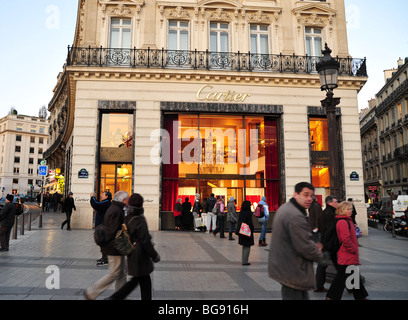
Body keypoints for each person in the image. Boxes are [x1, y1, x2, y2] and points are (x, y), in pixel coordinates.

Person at [268, 182, 323, 300]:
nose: (309, 199)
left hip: (287, 267)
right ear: (296, 194)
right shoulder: (295, 215)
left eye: (311, 196)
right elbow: (304, 246)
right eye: (305, 195)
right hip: (293, 270)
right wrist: (321, 256)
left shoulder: (286, 208)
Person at [106, 193, 160, 300]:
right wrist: (154, 255)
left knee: (142, 279)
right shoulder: (139, 218)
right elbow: (145, 239)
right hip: (140, 254)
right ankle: (115, 297)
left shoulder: (127, 215)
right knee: (138, 280)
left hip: (132, 251)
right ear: (141, 204)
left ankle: (116, 297)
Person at [84, 191, 129, 300]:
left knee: (122, 273)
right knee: (114, 273)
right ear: (123, 200)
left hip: (116, 246)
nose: (128, 201)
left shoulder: (117, 208)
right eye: (128, 199)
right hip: (114, 246)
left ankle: (120, 296)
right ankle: (91, 292)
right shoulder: (116, 210)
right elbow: (113, 230)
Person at [326, 201, 369, 300]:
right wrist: (353, 249)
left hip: (347, 254)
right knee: (341, 277)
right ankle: (331, 297)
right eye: (348, 209)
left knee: (352, 275)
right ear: (342, 211)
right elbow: (345, 239)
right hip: (345, 253)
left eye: (351, 209)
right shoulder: (343, 222)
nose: (350, 211)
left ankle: (361, 296)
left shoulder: (347, 221)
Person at [315, 195, 338, 292]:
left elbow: (320, 229)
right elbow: (331, 230)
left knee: (322, 266)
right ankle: (352, 286)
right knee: (342, 266)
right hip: (331, 244)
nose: (337, 204)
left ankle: (319, 286)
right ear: (330, 203)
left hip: (325, 243)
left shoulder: (323, 213)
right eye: (335, 202)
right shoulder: (331, 214)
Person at [90, 191, 112, 266]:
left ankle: (105, 260)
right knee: (102, 243)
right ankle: (103, 258)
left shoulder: (106, 202)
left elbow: (96, 204)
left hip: (103, 226)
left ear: (106, 196)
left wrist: (92, 197)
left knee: (103, 243)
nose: (101, 195)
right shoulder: (106, 202)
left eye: (103, 194)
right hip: (102, 225)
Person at [236, 200, 254, 265]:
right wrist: (252, 229)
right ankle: (245, 261)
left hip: (242, 230)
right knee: (248, 246)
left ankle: (243, 260)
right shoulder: (248, 213)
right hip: (247, 231)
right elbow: (250, 223)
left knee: (244, 246)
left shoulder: (241, 212)